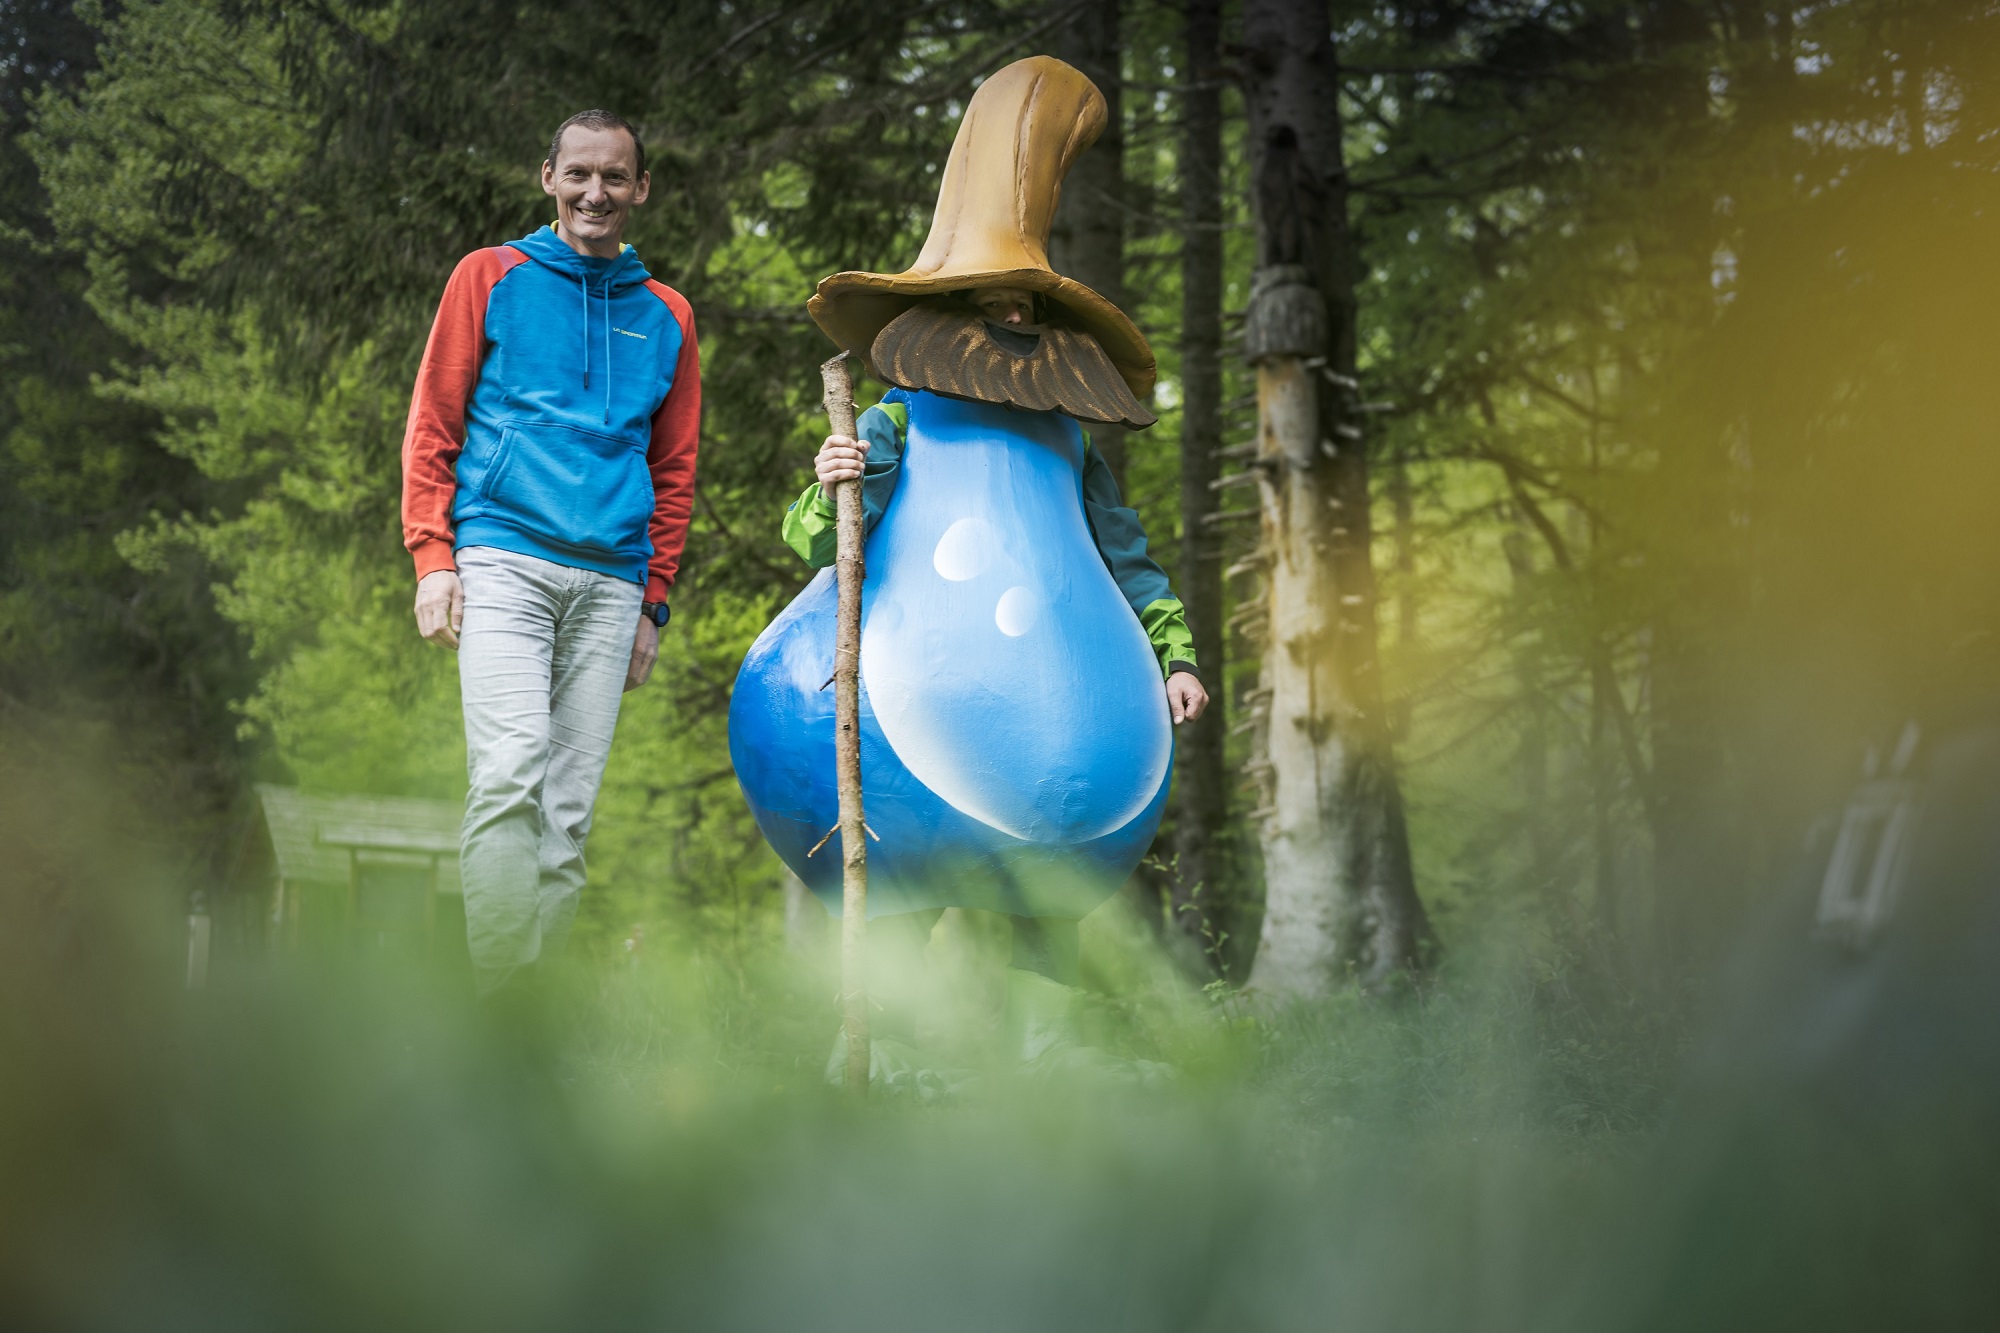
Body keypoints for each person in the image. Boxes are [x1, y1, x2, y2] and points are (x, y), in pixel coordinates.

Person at [400, 109, 700, 994]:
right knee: (508, 774)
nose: (595, 194)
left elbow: (674, 469)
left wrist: (653, 603)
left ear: (640, 189)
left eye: (614, 178)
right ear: (549, 178)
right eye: (579, 175)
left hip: (612, 586)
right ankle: (500, 1004)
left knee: (567, 814)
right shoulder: (489, 276)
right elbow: (434, 423)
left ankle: (536, 1013)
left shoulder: (668, 315)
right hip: (502, 559)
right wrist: (433, 558)